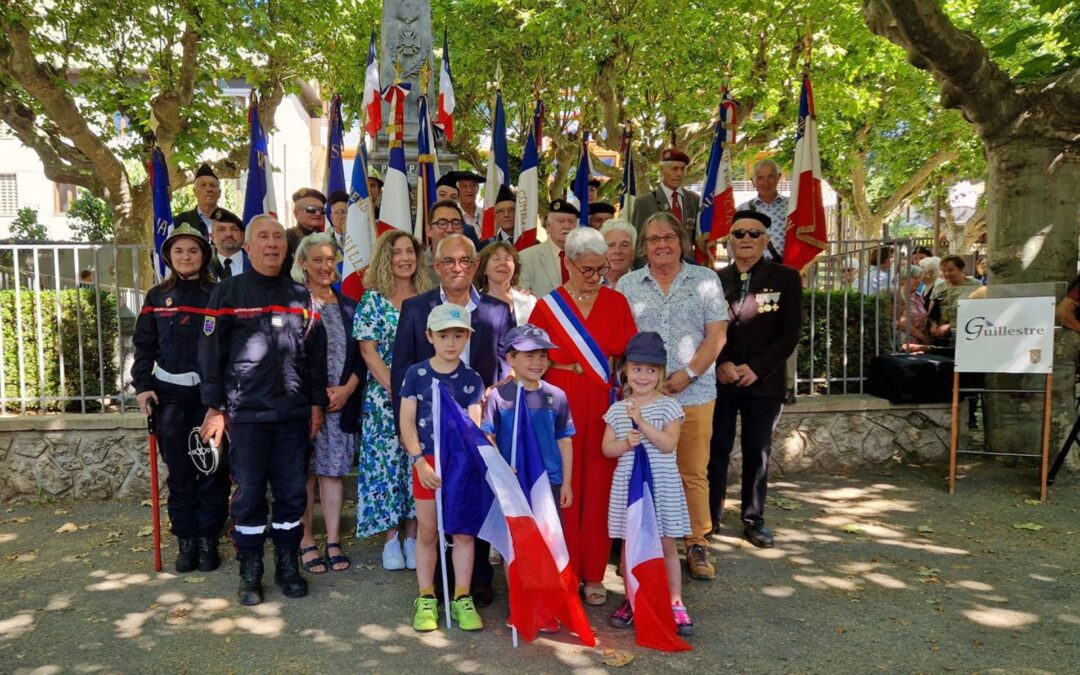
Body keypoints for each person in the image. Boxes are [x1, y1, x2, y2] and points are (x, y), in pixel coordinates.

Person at [199, 214, 328, 606]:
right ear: (248, 246)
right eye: (263, 238)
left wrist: (317, 402)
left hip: (292, 416)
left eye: (277, 237)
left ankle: (288, 566)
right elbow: (210, 354)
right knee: (250, 494)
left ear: (286, 247)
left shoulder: (301, 296)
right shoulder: (226, 293)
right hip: (246, 415)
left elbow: (315, 355)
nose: (272, 244)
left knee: (292, 495)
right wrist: (215, 407)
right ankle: (250, 571)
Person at [391, 233, 513, 605]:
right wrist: (410, 442)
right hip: (428, 436)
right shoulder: (415, 308)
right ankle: (435, 587)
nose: (457, 268)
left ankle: (472, 583)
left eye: (465, 261)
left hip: (476, 426)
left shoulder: (497, 309)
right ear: (437, 266)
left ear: (475, 265)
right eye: (449, 261)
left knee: (470, 507)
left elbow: (509, 364)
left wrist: (493, 398)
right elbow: (402, 373)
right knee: (432, 520)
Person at [527, 227, 637, 606]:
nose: (595, 277)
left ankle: (592, 574)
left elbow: (627, 358)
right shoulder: (547, 307)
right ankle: (564, 570)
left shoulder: (616, 303)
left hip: (603, 411)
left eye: (600, 269)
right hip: (558, 410)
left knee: (599, 489)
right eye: (586, 269)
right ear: (567, 262)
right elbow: (531, 362)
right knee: (564, 490)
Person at [617, 212, 728, 580]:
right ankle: (642, 543)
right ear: (643, 247)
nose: (661, 244)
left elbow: (716, 337)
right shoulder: (628, 285)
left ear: (681, 241)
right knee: (642, 469)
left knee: (692, 471)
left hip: (694, 394)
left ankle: (696, 542)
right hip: (643, 399)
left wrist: (688, 374)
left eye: (668, 237)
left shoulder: (706, 280)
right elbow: (618, 343)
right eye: (653, 239)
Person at [132, 223, 228, 573]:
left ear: (204, 255)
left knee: (212, 467)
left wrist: (222, 400)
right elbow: (143, 345)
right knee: (180, 471)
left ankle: (208, 539)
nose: (186, 257)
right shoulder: (156, 297)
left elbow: (229, 348)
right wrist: (143, 385)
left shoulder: (219, 294)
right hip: (170, 395)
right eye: (178, 251)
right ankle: (185, 539)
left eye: (193, 251)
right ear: (168, 257)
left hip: (208, 397)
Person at [709, 210, 802, 549]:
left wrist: (756, 368)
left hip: (763, 383)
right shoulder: (714, 280)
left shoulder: (786, 278)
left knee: (756, 451)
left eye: (753, 233)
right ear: (729, 242)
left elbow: (789, 334)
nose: (745, 239)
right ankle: (710, 517)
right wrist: (721, 362)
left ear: (766, 240)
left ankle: (753, 519)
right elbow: (703, 328)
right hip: (721, 379)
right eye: (738, 234)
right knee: (715, 450)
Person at [482, 324, 575, 633]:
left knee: (547, 543)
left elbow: (564, 439)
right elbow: (488, 437)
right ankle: (519, 601)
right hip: (513, 483)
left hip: (548, 482)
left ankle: (544, 603)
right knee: (516, 545)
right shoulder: (499, 396)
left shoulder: (557, 396)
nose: (537, 362)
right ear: (511, 357)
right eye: (529, 355)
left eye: (542, 355)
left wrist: (569, 482)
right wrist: (500, 467)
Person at [400, 303, 486, 633]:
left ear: (467, 337)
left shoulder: (471, 379)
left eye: (458, 335)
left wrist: (468, 462)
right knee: (427, 530)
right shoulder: (416, 374)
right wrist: (418, 461)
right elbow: (407, 422)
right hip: (427, 463)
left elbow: (473, 425)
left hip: (461, 463)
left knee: (463, 532)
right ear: (430, 337)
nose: (451, 343)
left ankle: (462, 597)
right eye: (444, 335)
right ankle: (426, 596)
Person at [602, 332, 693, 636]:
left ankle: (675, 601)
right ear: (626, 369)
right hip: (629, 487)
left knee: (666, 544)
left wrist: (640, 422)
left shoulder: (669, 407)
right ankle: (632, 598)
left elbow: (668, 444)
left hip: (662, 486)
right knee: (631, 546)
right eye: (637, 368)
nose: (643, 376)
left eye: (651, 370)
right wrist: (625, 443)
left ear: (661, 374)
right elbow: (607, 449)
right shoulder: (616, 409)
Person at [354, 230, 432, 570]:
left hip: (425, 397)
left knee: (415, 462)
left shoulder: (430, 298)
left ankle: (415, 537)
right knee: (385, 468)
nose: (405, 258)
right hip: (383, 399)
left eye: (410, 252)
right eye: (397, 252)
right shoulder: (372, 300)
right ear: (387, 258)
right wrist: (399, 389)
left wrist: (416, 392)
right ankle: (390, 541)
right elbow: (368, 353)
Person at [292, 233, 363, 575]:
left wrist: (348, 389)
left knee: (333, 473)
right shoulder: (293, 302)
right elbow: (290, 357)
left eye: (329, 259)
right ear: (303, 263)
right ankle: (307, 540)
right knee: (305, 473)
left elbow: (362, 356)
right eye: (316, 260)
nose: (324, 266)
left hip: (340, 404)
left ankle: (333, 540)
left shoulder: (349, 305)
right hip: (305, 406)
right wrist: (315, 398)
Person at [632, 148, 700, 242]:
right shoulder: (645, 203)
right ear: (662, 170)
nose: (679, 174)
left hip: (687, 256)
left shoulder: (694, 199)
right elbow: (638, 241)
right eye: (674, 169)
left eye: (682, 169)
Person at [519, 199, 579, 298]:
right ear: (548, 225)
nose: (567, 226)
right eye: (561, 221)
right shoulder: (527, 258)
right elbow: (523, 300)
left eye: (571, 221)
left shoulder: (585, 256)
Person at [736, 159, 789, 262]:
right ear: (753, 181)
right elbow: (733, 243)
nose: (766, 182)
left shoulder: (792, 207)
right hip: (752, 269)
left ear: (778, 177)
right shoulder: (742, 210)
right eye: (760, 178)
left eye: (770, 176)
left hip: (785, 269)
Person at [474, 241, 536, 325]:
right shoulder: (473, 302)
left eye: (508, 259)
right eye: (496, 258)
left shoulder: (528, 300)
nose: (503, 263)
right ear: (484, 268)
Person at [927, 254, 982, 346]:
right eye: (944, 271)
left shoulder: (975, 285)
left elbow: (979, 312)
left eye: (951, 270)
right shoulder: (939, 287)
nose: (947, 274)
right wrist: (933, 326)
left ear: (961, 269)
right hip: (942, 337)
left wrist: (951, 326)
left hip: (967, 333)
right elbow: (931, 312)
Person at [422, 199, 468, 286]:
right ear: (428, 230)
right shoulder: (417, 266)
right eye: (442, 223)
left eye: (455, 223)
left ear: (462, 229)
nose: (450, 229)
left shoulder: (476, 263)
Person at [285, 188, 327, 270]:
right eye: (311, 209)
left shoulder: (327, 238)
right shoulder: (285, 239)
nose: (318, 213)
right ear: (296, 213)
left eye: (322, 210)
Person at [173, 164, 220, 237]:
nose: (208, 189)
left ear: (219, 193)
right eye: (203, 185)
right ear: (194, 191)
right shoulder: (180, 222)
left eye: (212, 185)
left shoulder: (230, 221)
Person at [208, 208, 248, 279]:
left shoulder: (258, 266)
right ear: (212, 237)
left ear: (242, 236)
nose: (228, 234)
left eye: (234, 229)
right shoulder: (203, 271)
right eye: (221, 229)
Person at [896, 265, 930, 345]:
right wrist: (922, 337)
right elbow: (900, 321)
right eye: (915, 278)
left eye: (920, 278)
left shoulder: (917, 296)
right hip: (903, 343)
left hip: (919, 342)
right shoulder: (898, 295)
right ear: (904, 279)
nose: (919, 281)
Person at [600, 218, 636, 287]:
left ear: (633, 252)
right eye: (610, 245)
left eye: (624, 245)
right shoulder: (588, 283)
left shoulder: (643, 286)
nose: (617, 251)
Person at [455, 170, 484, 235]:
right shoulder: (453, 214)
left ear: (477, 189)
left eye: (472, 186)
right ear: (458, 190)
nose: (469, 190)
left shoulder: (486, 215)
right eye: (464, 186)